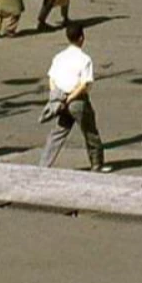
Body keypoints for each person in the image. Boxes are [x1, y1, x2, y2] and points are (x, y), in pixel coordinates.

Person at [38, 24, 106, 172]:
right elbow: (84, 84)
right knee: (90, 132)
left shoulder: (59, 57)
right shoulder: (85, 59)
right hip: (78, 101)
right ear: (81, 38)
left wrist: (57, 97)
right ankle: (97, 163)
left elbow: (52, 79)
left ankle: (44, 164)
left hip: (60, 98)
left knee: (58, 133)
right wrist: (69, 99)